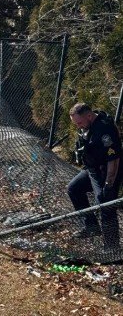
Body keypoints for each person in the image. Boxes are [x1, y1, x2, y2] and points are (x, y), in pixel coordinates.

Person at [67, 102, 122, 251]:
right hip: (93, 169)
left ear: (89, 116)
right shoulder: (88, 126)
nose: (78, 126)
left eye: (79, 122)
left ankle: (112, 247)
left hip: (108, 171)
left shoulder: (104, 129)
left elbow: (113, 159)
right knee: (74, 188)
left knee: (105, 203)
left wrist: (109, 185)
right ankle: (91, 226)